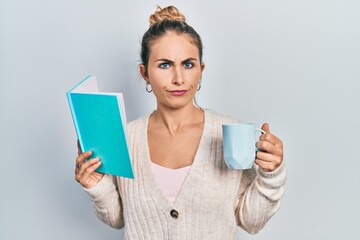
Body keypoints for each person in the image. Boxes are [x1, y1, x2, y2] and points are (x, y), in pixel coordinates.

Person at [74, 5, 286, 239]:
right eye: (164, 65)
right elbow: (117, 218)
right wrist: (97, 184)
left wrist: (271, 174)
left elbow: (251, 221)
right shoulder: (125, 138)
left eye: (188, 64)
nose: (178, 79)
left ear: (201, 70)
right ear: (145, 73)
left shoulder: (228, 133)